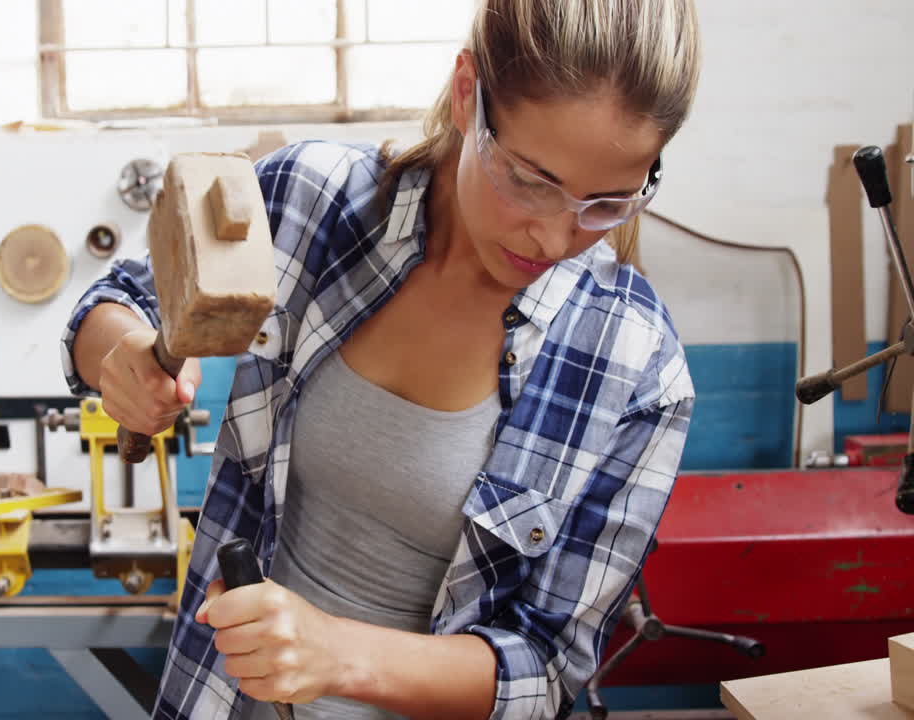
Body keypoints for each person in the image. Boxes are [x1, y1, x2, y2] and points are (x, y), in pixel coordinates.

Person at [62, 0, 701, 717]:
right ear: (468, 96)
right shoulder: (311, 201)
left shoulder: (638, 368)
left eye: (607, 204)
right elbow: (118, 301)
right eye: (530, 180)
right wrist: (121, 354)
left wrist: (336, 654)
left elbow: (547, 669)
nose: (554, 237)